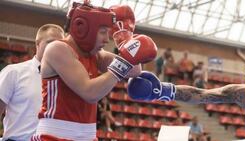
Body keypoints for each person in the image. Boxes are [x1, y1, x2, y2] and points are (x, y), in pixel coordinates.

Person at [31, 1, 157, 140]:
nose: (107, 39)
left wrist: (125, 40)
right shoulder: (58, 49)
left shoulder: (95, 55)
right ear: (84, 29)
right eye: (103, 32)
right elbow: (90, 92)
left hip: (88, 136)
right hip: (55, 136)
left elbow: (134, 70)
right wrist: (122, 62)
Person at [0, 24, 64, 141]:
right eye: (50, 43)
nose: (55, 48)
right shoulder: (14, 72)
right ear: (37, 44)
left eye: (60, 45)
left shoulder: (67, 79)